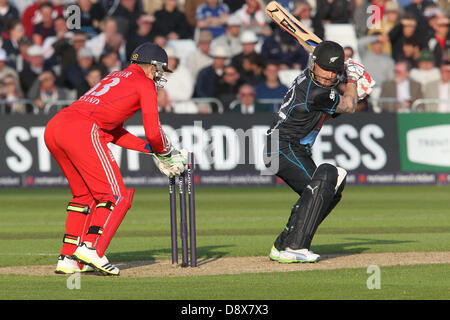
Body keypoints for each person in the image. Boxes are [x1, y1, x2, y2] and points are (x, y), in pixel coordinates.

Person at [44, 42, 188, 276]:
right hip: (82, 129)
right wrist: (166, 152)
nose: (161, 76)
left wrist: (151, 149)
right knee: (116, 196)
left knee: (84, 196)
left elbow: (113, 132)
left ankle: (68, 258)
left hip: (56, 126)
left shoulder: (116, 76)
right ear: (152, 67)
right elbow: (153, 130)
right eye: (160, 70)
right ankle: (91, 248)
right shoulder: (145, 83)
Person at [265, 41, 369, 263]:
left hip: (291, 148)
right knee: (327, 175)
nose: (328, 75)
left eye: (334, 71)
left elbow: (329, 112)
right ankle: (295, 246)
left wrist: (355, 91)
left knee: (334, 187)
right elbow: (348, 106)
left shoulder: (313, 82)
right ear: (314, 64)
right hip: (282, 148)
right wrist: (353, 80)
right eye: (325, 68)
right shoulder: (316, 91)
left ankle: (283, 243)